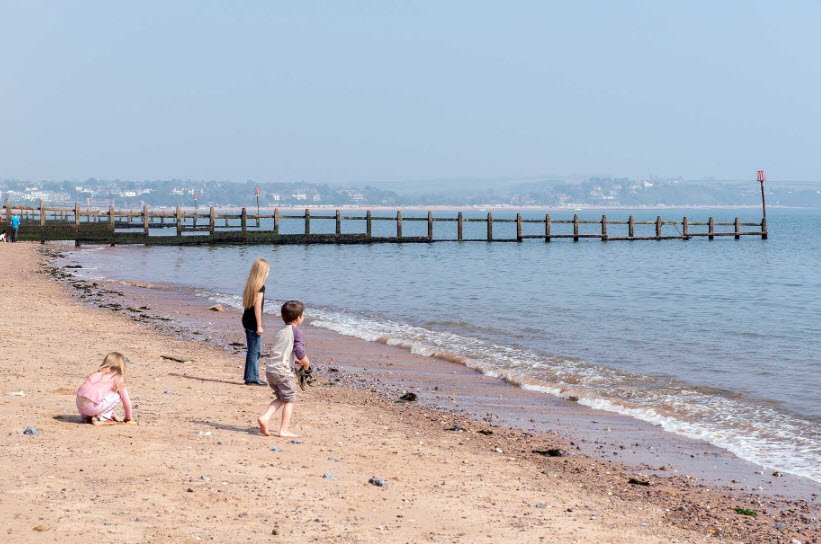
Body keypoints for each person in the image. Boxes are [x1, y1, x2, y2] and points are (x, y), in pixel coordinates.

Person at [257, 300, 310, 438]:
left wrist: (295, 361)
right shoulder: (296, 332)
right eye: (303, 314)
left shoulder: (280, 331)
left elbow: (282, 351)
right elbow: (299, 351)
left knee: (281, 398)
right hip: (282, 372)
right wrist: (306, 362)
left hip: (271, 370)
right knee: (290, 400)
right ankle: (283, 430)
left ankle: (265, 417)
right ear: (299, 317)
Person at [76, 352, 135, 425]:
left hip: (80, 407)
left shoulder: (97, 373)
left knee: (102, 395)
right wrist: (128, 418)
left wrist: (112, 414)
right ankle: (101, 419)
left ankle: (90, 416)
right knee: (118, 395)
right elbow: (126, 400)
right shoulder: (117, 377)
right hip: (92, 408)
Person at [242, 258, 270, 385]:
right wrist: (259, 325)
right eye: (267, 271)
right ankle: (252, 378)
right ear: (262, 272)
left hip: (246, 319)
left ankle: (250, 376)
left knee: (252, 349)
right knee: (255, 351)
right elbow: (257, 307)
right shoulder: (260, 287)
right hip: (253, 321)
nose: (268, 273)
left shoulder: (250, 284)